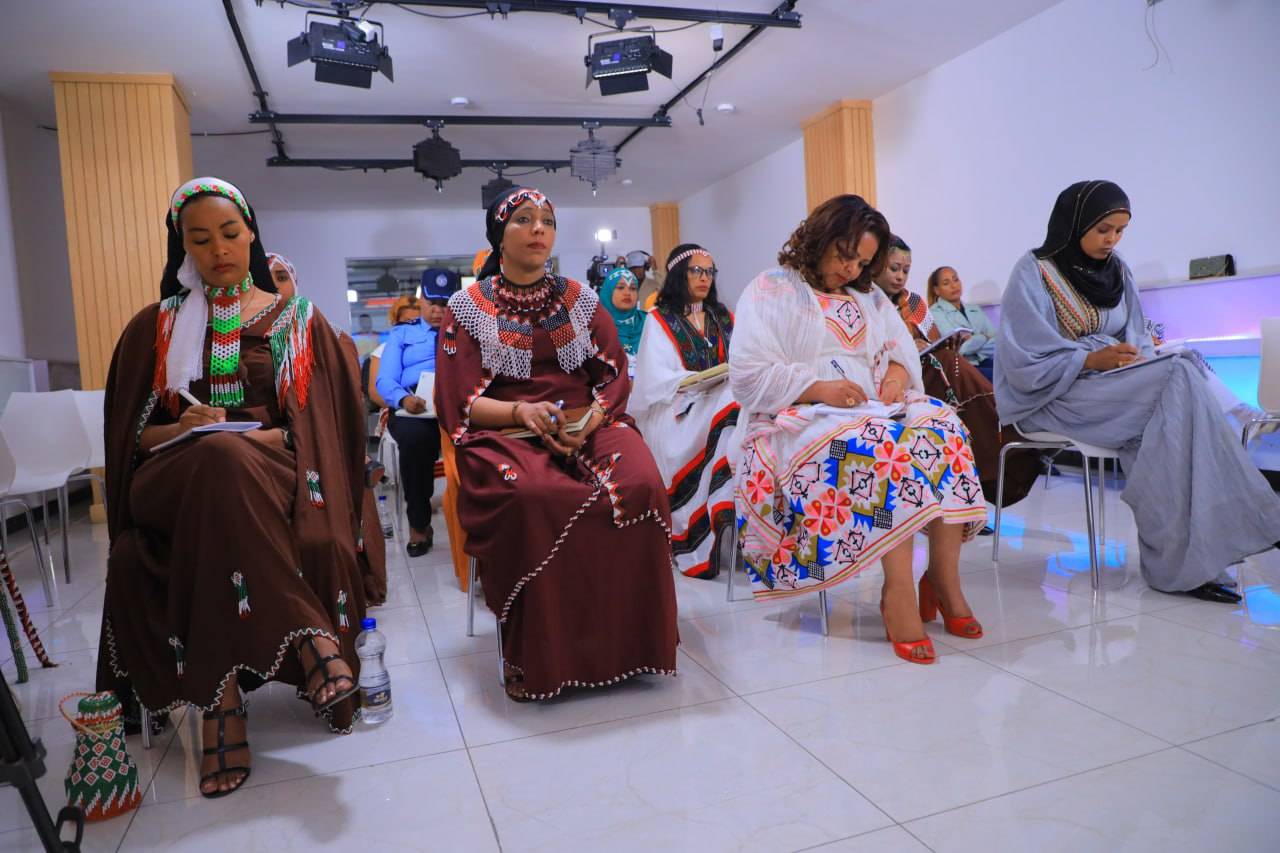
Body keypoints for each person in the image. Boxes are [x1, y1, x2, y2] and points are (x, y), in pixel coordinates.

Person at [99, 178, 368, 798]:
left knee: (225, 460)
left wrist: (241, 439)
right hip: (168, 479)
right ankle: (309, 637)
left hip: (270, 473)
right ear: (183, 248)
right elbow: (132, 439)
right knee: (214, 454)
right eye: (200, 239)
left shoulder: (296, 321)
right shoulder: (154, 327)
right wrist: (181, 429)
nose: (218, 249)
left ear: (251, 234)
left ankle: (219, 702)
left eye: (228, 233)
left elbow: (315, 435)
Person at [435, 186, 678, 701]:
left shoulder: (579, 299)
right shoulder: (468, 307)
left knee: (640, 484)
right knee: (536, 497)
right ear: (499, 235)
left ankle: (631, 647)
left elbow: (614, 374)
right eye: (524, 219)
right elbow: (459, 402)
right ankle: (538, 657)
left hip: (587, 422)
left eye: (546, 220)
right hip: (504, 432)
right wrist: (520, 412)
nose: (538, 229)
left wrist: (592, 420)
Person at [730, 195, 988, 664]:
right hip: (799, 414)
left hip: (870, 405)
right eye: (844, 256)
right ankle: (898, 592)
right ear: (820, 239)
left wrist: (896, 377)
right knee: (884, 447)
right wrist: (817, 388)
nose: (851, 270)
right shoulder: (770, 288)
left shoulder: (869, 296)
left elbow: (900, 352)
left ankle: (943, 578)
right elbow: (747, 376)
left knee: (944, 427)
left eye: (863, 262)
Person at [996, 179, 1280, 603]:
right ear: (1074, 223)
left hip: (1116, 390)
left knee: (1172, 417)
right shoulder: (1034, 271)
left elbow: (1137, 338)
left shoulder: (1118, 270)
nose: (1112, 239)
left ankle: (1191, 565)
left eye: (1120, 230)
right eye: (1103, 229)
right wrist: (1089, 360)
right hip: (1055, 396)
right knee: (1178, 375)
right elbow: (1021, 358)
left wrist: (1133, 360)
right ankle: (1255, 518)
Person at [874, 238, 1039, 511]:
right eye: (894, 268)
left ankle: (984, 476)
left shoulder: (914, 303)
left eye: (906, 270)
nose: (900, 276)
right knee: (953, 366)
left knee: (957, 363)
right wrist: (908, 348)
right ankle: (1009, 434)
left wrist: (938, 343)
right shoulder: (869, 300)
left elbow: (936, 340)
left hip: (931, 368)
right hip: (897, 378)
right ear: (877, 264)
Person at [269, 252, 388, 604]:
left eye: (281, 278)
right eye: (265, 279)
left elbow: (345, 404)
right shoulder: (246, 341)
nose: (275, 288)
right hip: (272, 443)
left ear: (296, 283)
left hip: (326, 438)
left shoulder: (331, 337)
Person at [631, 244, 739, 579]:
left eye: (709, 271)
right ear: (680, 274)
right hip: (677, 409)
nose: (704, 278)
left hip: (723, 401)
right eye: (696, 271)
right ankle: (698, 532)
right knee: (731, 408)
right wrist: (697, 381)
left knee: (738, 409)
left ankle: (740, 529)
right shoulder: (659, 319)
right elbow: (654, 379)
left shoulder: (723, 316)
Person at [376, 278, 451, 557]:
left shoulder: (464, 331)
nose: (438, 311)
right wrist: (403, 399)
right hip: (413, 406)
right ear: (421, 301)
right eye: (432, 303)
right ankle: (419, 524)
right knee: (415, 439)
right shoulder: (401, 333)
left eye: (444, 304)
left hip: (454, 406)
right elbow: (385, 380)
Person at [928, 266, 998, 379]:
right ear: (936, 290)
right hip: (961, 368)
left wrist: (973, 343)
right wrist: (984, 337)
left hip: (984, 359)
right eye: (946, 283)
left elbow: (997, 340)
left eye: (956, 280)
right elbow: (959, 348)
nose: (954, 285)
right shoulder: (935, 313)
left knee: (1012, 370)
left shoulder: (974, 308)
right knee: (1002, 378)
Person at [599, 267, 646, 377]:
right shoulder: (596, 328)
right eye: (620, 287)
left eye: (633, 288)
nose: (627, 293)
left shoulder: (649, 322)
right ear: (608, 291)